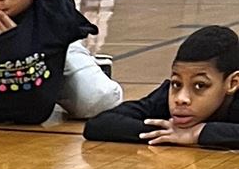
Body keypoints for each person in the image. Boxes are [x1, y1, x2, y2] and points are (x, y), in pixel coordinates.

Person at [84, 24, 239, 150]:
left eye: (200, 85)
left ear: (232, 84)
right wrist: (171, 134)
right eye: (177, 84)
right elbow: (99, 124)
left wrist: (200, 133)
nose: (181, 98)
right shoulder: (164, 97)